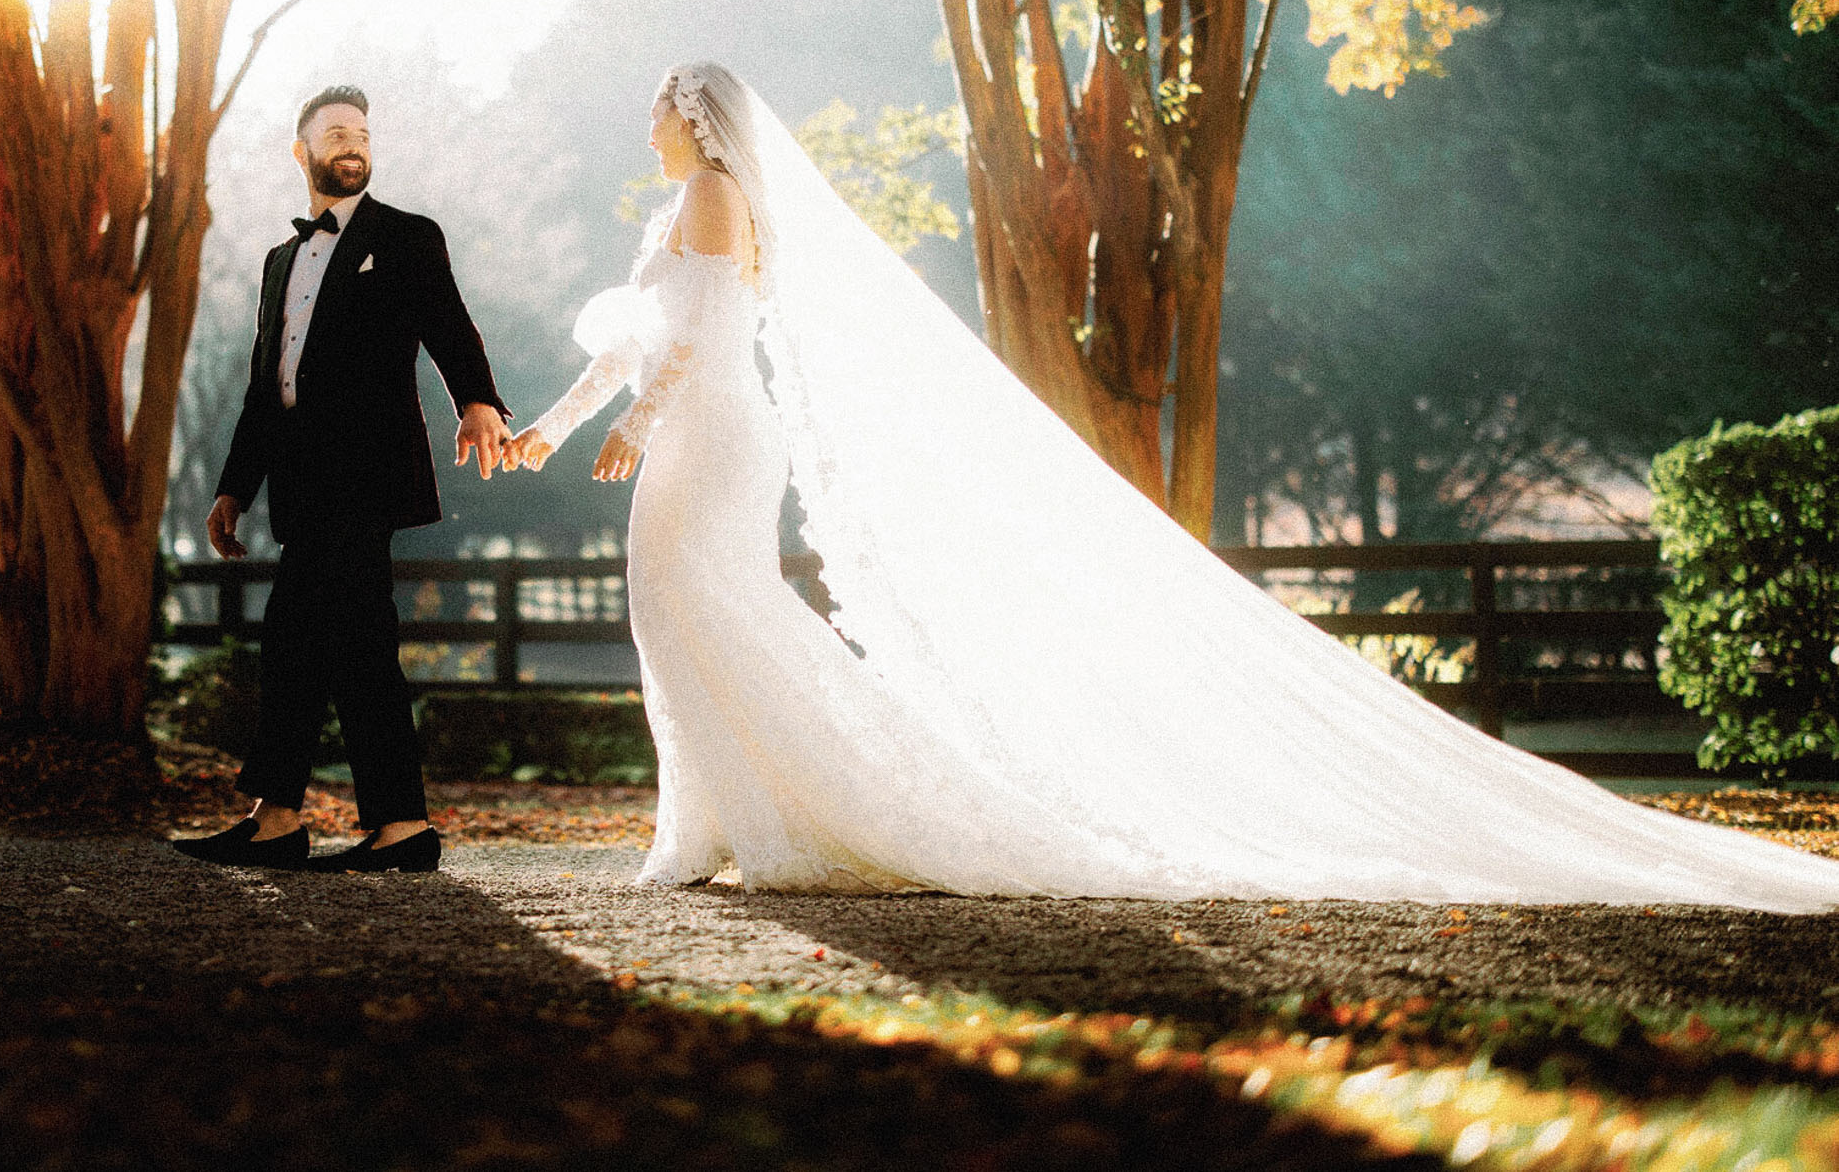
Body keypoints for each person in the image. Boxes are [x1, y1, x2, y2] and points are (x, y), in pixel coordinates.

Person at [501, 63, 1839, 908]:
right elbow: (632, 341)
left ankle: (781, 815)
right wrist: (555, 429)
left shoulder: (715, 192)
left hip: (713, 432)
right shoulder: (672, 209)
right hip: (677, 431)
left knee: (704, 607)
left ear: (695, 116)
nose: (648, 126)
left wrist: (644, 423)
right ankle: (715, 820)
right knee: (675, 615)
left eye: (658, 108)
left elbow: (695, 335)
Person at [177, 86, 509, 874]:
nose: (352, 143)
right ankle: (299, 821)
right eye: (335, 133)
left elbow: (448, 322)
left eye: (361, 132)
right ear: (303, 153)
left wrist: (477, 401)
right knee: (313, 643)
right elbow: (268, 385)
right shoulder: (279, 262)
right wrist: (235, 487)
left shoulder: (405, 236)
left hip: (367, 475)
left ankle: (379, 825)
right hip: (301, 482)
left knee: (332, 640)